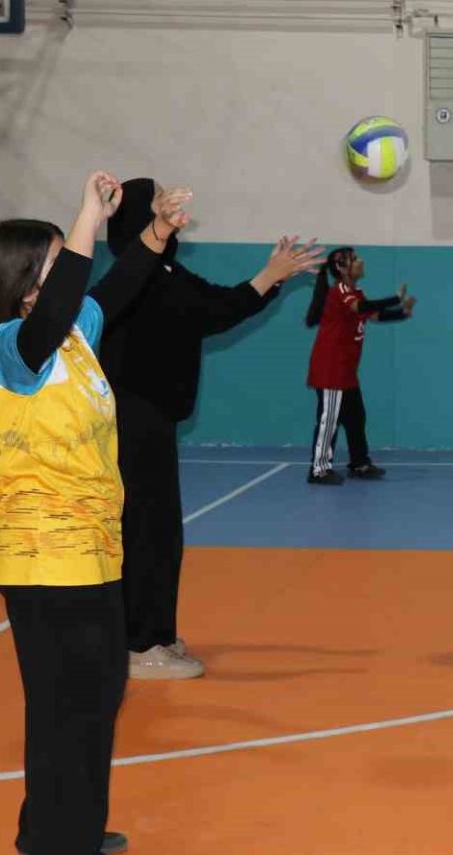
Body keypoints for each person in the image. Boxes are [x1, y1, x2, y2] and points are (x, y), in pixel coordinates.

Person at [0, 172, 189, 855]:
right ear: (23, 283)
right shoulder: (14, 348)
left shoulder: (68, 343)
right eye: (57, 258)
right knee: (80, 703)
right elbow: (66, 300)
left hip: (86, 549)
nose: (73, 266)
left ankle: (50, 828)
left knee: (78, 698)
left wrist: (156, 233)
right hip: (46, 553)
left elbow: (112, 293)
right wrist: (89, 217)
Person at [100, 178, 324, 681]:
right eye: (159, 203)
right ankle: (140, 645)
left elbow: (219, 304)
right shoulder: (139, 280)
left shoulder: (163, 272)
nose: (173, 210)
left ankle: (156, 634)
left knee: (159, 533)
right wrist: (271, 274)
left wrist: (272, 274)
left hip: (153, 419)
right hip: (131, 421)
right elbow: (216, 311)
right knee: (147, 533)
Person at [305, 247, 416, 484]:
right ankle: (319, 469)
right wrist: (395, 298)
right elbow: (360, 308)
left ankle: (359, 464)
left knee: (356, 417)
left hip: (346, 371)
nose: (360, 261)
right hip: (331, 369)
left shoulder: (356, 294)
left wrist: (402, 313)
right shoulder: (340, 292)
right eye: (354, 259)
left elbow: (373, 315)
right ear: (342, 268)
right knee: (329, 420)